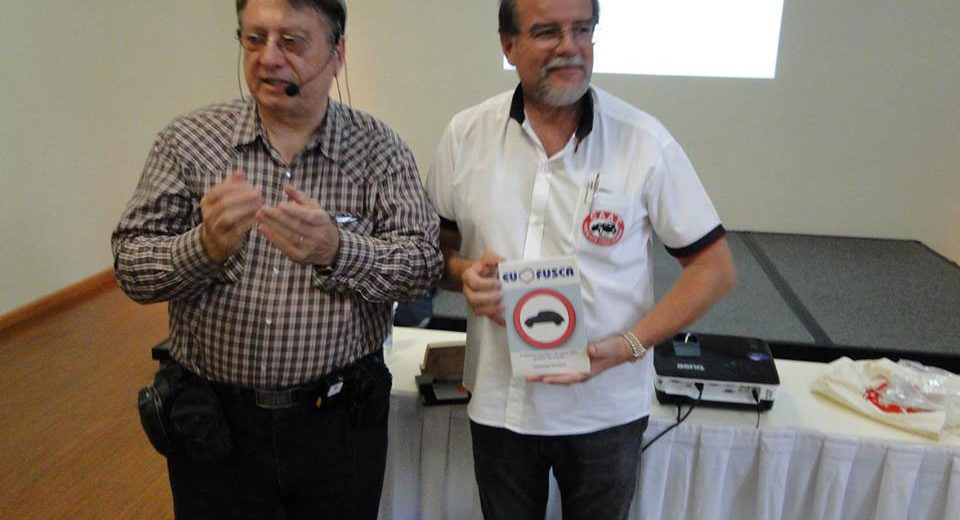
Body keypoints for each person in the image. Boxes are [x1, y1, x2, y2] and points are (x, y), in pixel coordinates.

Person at [112, 0, 442, 518]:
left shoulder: (381, 152)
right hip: (215, 428)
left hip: (339, 423)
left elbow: (423, 265)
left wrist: (338, 249)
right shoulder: (189, 144)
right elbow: (131, 265)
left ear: (337, 54)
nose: (268, 58)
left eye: (291, 42)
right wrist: (204, 247)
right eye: (254, 39)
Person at [424, 0, 737, 518]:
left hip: (605, 410)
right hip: (501, 401)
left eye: (582, 30)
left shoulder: (643, 141)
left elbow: (714, 269)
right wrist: (462, 273)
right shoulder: (466, 135)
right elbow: (434, 252)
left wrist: (627, 346)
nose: (569, 47)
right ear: (508, 45)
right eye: (547, 32)